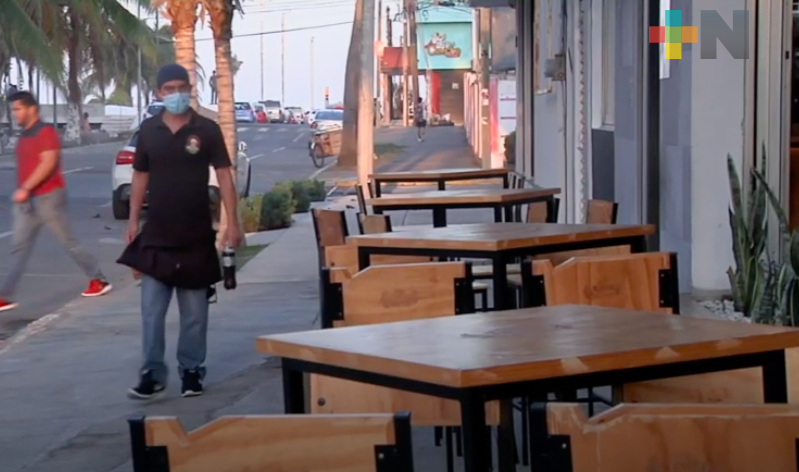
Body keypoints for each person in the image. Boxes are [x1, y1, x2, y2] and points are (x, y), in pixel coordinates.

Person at [119, 64, 242, 400]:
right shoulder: (149, 131)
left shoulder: (208, 129)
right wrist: (132, 222)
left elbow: (225, 175)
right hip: (156, 235)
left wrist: (234, 223)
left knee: (195, 316)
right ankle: (152, 375)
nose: (176, 94)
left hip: (195, 236)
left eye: (181, 87)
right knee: (151, 312)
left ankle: (191, 371)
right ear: (159, 93)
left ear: (190, 89)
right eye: (168, 88)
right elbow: (140, 176)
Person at [0, 91, 112, 312]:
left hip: (49, 198)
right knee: (19, 247)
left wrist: (25, 188)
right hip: (28, 202)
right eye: (13, 109)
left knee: (68, 242)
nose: (15, 114)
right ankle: (4, 295)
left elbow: (48, 162)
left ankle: (99, 280)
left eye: (18, 109)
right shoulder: (24, 136)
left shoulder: (46, 132)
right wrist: (24, 192)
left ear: (32, 109)